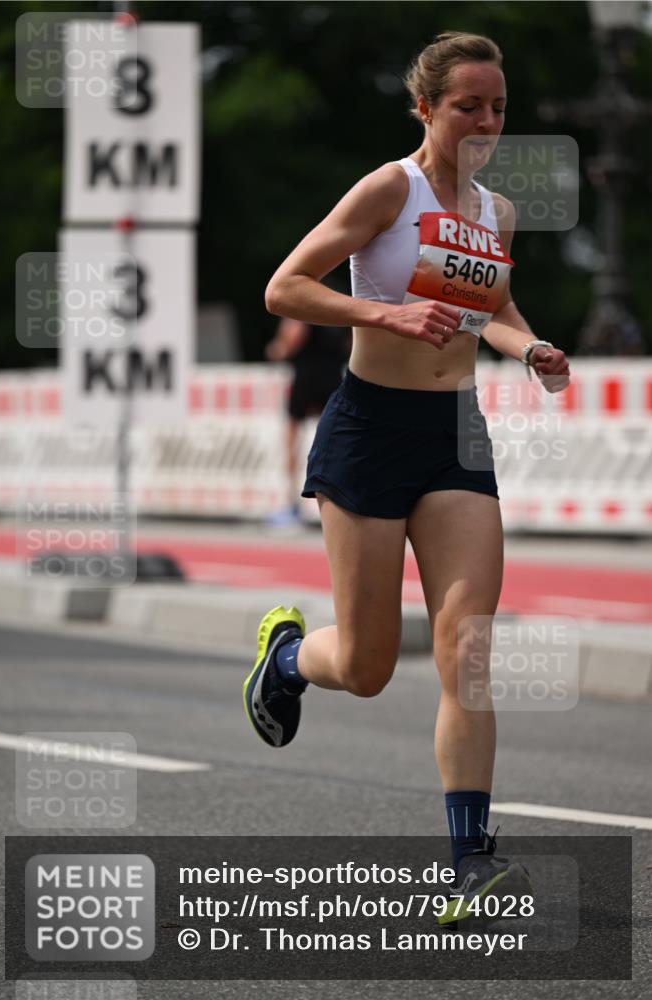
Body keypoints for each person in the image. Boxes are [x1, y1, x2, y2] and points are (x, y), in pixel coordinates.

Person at [242, 31, 570, 922]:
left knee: (467, 649)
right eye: (468, 105)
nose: (485, 122)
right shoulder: (392, 188)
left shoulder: (495, 214)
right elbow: (285, 287)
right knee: (370, 662)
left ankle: (471, 859)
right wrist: (384, 311)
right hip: (368, 430)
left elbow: (492, 306)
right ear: (425, 108)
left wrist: (528, 345)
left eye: (496, 107)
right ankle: (286, 658)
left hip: (456, 435)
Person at [264, 316, 350, 525]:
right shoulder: (336, 309)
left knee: (292, 439)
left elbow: (294, 336)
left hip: (307, 377)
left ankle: (291, 503)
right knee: (337, 439)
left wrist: (278, 348)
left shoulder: (300, 308)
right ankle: (342, 499)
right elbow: (351, 343)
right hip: (333, 378)